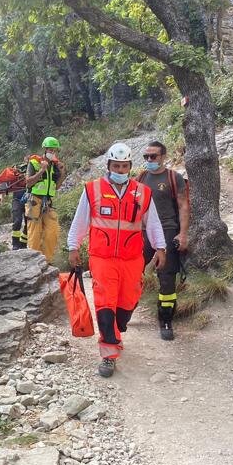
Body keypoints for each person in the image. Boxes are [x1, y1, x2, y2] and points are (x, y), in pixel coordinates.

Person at [68, 143, 166, 378]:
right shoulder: (92, 190)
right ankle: (109, 352)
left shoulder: (142, 192)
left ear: (130, 167)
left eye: (124, 166)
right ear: (108, 166)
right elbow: (80, 220)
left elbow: (153, 223)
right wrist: (73, 246)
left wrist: (160, 247)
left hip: (132, 258)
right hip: (102, 258)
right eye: (116, 166)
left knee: (128, 302)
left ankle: (118, 327)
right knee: (105, 302)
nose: (120, 170)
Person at [137, 140, 190, 341]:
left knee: (167, 276)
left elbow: (184, 206)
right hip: (143, 232)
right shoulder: (141, 177)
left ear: (163, 156)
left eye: (153, 156)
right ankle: (126, 309)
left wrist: (182, 234)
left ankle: (166, 320)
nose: (149, 159)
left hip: (167, 230)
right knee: (133, 271)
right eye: (146, 156)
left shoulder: (173, 178)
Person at [25, 137, 64, 263]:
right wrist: (42, 170)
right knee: (34, 234)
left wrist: (62, 173)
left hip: (47, 202)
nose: (53, 153)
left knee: (53, 231)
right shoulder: (34, 162)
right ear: (45, 149)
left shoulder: (55, 166)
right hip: (34, 201)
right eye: (50, 150)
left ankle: (47, 262)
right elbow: (28, 182)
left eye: (55, 151)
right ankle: (34, 262)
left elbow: (56, 187)